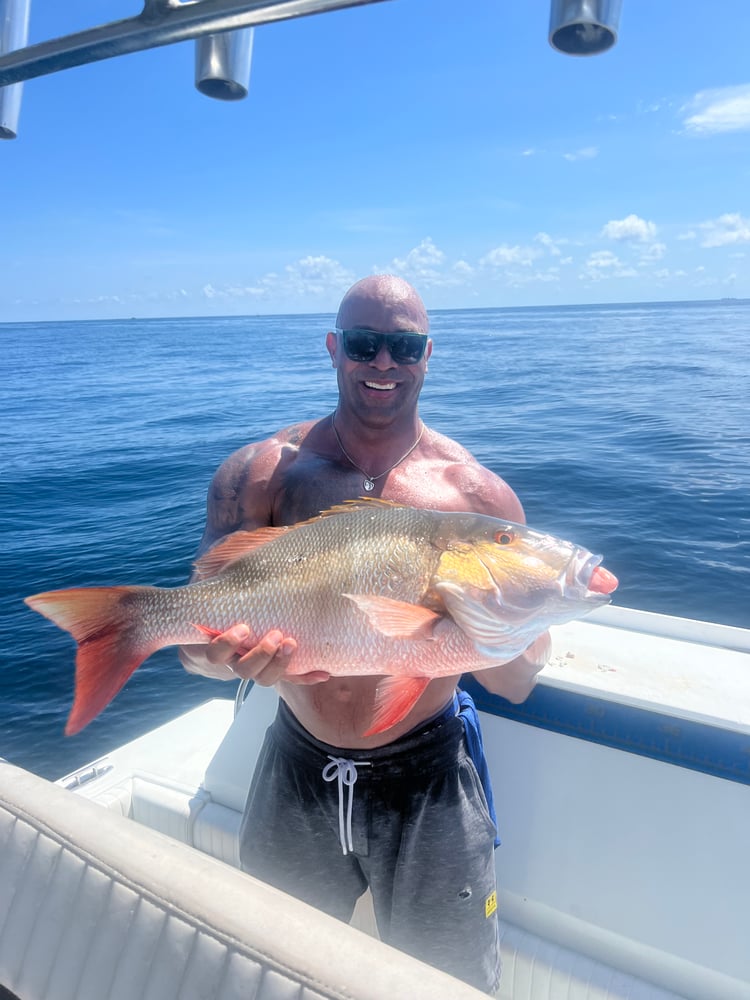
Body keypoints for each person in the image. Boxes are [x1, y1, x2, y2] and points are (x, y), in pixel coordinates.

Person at [179, 274, 548, 994]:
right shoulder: (261, 474)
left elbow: (519, 679)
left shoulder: (479, 500)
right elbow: (199, 643)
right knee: (267, 972)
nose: (384, 364)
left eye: (403, 346)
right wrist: (220, 657)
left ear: (427, 355)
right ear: (333, 348)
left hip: (431, 779)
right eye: (364, 344)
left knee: (449, 985)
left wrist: (497, 636)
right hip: (295, 768)